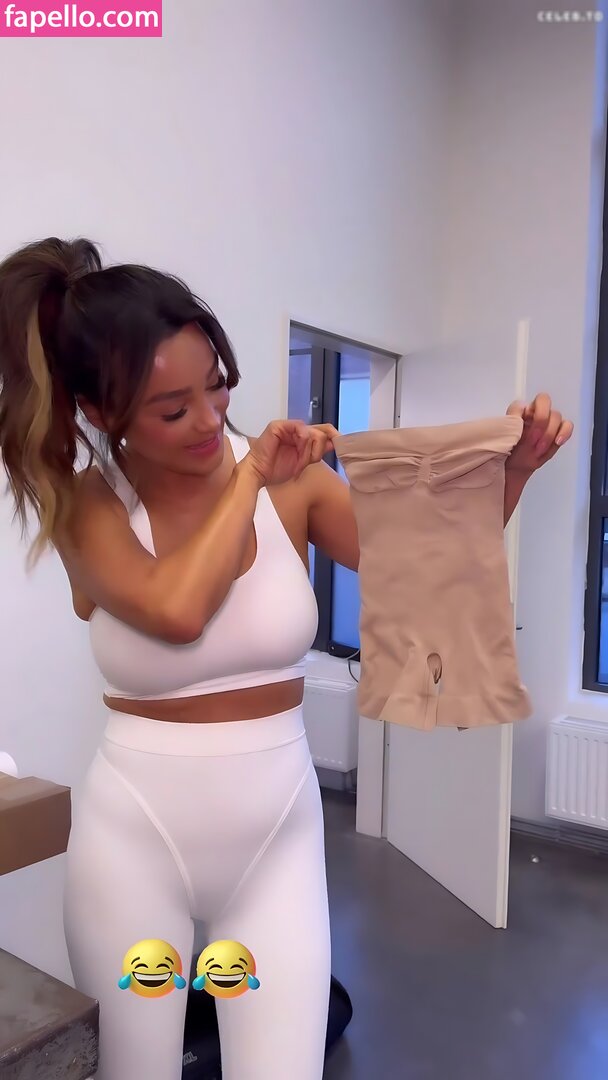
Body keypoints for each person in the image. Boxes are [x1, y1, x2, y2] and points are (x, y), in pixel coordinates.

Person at [0, 236, 573, 1080]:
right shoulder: (89, 508)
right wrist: (250, 479)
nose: (209, 420)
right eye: (172, 410)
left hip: (277, 846)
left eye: (216, 385)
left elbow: (422, 565)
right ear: (99, 410)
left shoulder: (293, 481)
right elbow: (177, 609)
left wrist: (512, 473)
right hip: (133, 850)